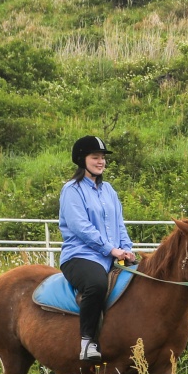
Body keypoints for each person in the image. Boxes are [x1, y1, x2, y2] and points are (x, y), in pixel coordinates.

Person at [59, 135, 136, 361]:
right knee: (96, 284)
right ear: (82, 160)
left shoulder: (109, 190)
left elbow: (119, 223)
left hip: (111, 255)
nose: (101, 161)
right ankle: (86, 343)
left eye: (102, 158)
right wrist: (111, 250)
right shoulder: (72, 190)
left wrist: (126, 249)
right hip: (80, 256)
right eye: (95, 157)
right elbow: (80, 226)